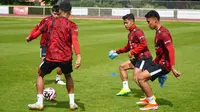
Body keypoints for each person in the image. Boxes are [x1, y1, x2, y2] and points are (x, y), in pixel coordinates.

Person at [27, 1, 81, 110]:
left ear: (59, 10)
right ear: (70, 12)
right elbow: (75, 41)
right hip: (66, 57)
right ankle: (72, 103)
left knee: (40, 75)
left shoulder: (50, 22)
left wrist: (30, 38)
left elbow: (38, 32)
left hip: (51, 56)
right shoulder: (72, 25)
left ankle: (39, 102)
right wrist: (78, 56)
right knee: (68, 76)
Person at [135, 10, 181, 110]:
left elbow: (170, 50)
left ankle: (152, 103)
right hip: (159, 62)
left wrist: (172, 68)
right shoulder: (158, 32)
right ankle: (148, 98)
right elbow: (161, 52)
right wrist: (154, 63)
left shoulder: (164, 33)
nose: (148, 24)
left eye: (148, 22)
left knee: (141, 78)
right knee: (138, 76)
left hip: (165, 65)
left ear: (155, 20)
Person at [111, 13, 153, 96]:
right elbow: (128, 47)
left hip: (144, 58)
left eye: (126, 23)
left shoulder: (138, 32)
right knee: (122, 67)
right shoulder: (130, 34)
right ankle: (125, 88)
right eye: (124, 23)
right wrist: (117, 51)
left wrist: (133, 52)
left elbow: (144, 44)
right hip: (138, 58)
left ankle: (149, 96)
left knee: (136, 77)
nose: (125, 25)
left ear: (132, 22)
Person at [27, 5, 66, 85]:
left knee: (61, 61)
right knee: (44, 62)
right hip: (45, 44)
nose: (56, 16)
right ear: (52, 12)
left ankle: (58, 79)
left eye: (58, 14)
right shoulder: (45, 20)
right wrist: (30, 36)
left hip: (57, 45)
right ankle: (39, 78)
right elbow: (37, 28)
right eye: (55, 14)